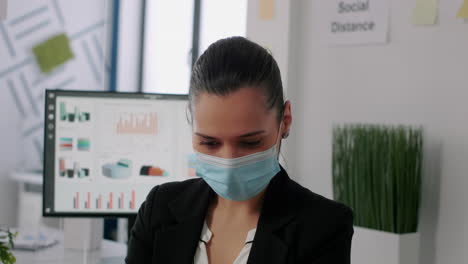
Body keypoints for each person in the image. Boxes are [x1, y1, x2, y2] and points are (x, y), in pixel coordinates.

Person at [125, 36, 354, 264]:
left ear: (284, 120)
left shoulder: (324, 226)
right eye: (210, 143)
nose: (229, 161)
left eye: (250, 142)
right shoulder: (160, 208)